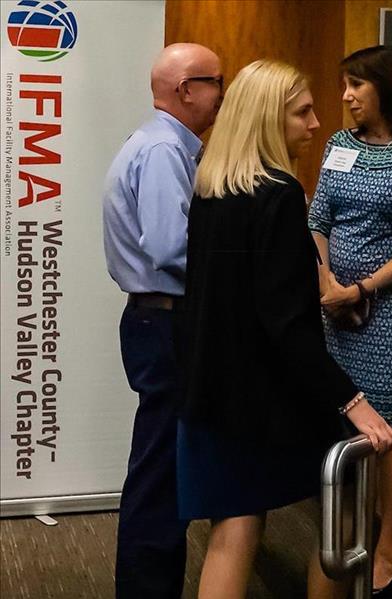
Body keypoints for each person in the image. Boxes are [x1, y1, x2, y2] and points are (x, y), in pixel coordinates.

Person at [175, 59, 392, 599]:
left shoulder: (213, 186)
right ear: (268, 119)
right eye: (302, 113)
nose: (317, 123)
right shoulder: (276, 194)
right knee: (338, 509)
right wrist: (352, 401)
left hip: (210, 391)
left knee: (232, 530)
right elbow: (287, 323)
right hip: (259, 401)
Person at [307, 45, 392, 594]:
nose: (345, 96)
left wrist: (360, 288)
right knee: (335, 411)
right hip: (330, 306)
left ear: (384, 88)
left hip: (383, 312)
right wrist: (327, 285)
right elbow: (318, 218)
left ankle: (389, 538)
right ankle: (341, 519)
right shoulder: (340, 145)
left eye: (355, 86)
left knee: (390, 422)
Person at [102, 42, 223, 598]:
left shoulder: (164, 145)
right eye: (216, 81)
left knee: (161, 470)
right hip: (165, 325)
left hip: (159, 322)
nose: (224, 94)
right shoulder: (163, 152)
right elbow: (173, 248)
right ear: (186, 90)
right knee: (159, 476)